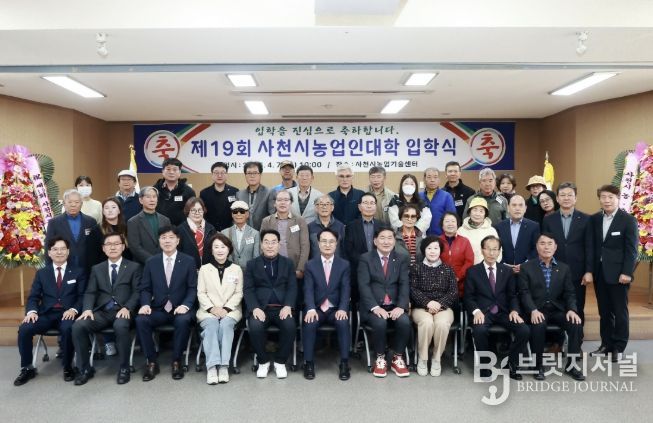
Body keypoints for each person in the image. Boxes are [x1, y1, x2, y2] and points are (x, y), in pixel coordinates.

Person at [14, 237, 87, 386]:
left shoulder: (78, 272)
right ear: (49, 253)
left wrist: (73, 310)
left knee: (68, 328)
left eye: (62, 249)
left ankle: (68, 367)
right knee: (25, 329)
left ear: (68, 251)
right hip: (46, 314)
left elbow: (82, 296)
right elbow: (34, 296)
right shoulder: (42, 273)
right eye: (55, 249)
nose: (59, 252)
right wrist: (32, 312)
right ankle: (27, 368)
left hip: (67, 314)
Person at [72, 233, 141, 385]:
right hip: (102, 312)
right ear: (103, 248)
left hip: (123, 311)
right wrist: (87, 309)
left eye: (116, 244)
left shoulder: (133, 267)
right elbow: (90, 292)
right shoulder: (97, 269)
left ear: (123, 247)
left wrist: (128, 307)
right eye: (109, 244)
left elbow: (137, 292)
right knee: (78, 326)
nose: (113, 247)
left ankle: (124, 368)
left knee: (120, 326)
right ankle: (85, 369)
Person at [519, 233, 585, 381]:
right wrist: (533, 310)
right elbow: (524, 292)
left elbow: (569, 293)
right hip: (537, 309)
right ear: (537, 247)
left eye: (550, 244)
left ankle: (572, 365)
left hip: (557, 310)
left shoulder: (564, 268)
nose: (546, 247)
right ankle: (537, 365)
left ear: (555, 247)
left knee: (576, 323)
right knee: (538, 324)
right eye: (542, 243)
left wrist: (572, 310)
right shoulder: (526, 267)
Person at [136, 226, 197, 381]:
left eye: (171, 237)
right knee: (141, 320)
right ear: (159, 241)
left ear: (178, 240)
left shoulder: (188, 261)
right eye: (163, 237)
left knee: (183, 321)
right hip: (159, 309)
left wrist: (186, 305)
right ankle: (151, 362)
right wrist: (145, 304)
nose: (167, 241)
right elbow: (145, 288)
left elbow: (192, 288)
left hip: (180, 308)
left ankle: (177, 361)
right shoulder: (151, 262)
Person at [464, 235, 529, 380]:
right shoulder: (473, 271)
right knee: (479, 330)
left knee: (524, 329)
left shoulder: (506, 271)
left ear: (499, 251)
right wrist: (476, 311)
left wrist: (514, 310)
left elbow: (512, 295)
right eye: (488, 249)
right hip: (483, 312)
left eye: (495, 249)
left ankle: (511, 365)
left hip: (504, 312)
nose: (491, 253)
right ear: (482, 250)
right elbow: (469, 297)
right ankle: (485, 366)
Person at [588, 184, 638, 361]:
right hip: (600, 273)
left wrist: (627, 272)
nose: (607, 200)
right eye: (603, 197)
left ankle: (618, 346)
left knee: (619, 311)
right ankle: (606, 344)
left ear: (618, 198)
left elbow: (631, 250)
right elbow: (592, 246)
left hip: (619, 275)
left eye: (610, 197)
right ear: (599, 199)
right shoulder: (594, 219)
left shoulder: (628, 220)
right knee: (604, 311)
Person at [243, 229, 297, 379]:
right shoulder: (252, 264)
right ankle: (263, 361)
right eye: (266, 242)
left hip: (282, 308)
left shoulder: (288, 263)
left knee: (290, 326)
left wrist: (288, 305)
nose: (270, 245)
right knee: (255, 326)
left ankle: (280, 361)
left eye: (273, 242)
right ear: (261, 245)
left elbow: (292, 287)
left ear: (279, 245)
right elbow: (248, 289)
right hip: (261, 308)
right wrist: (254, 308)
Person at [358, 226, 411, 378]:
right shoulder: (366, 259)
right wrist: (375, 307)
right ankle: (380, 358)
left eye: (389, 238)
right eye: (382, 238)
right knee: (380, 322)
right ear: (375, 241)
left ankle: (397, 357)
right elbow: (363, 285)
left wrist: (401, 306)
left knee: (404, 322)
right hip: (373, 306)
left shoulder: (401, 259)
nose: (386, 241)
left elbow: (404, 284)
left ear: (394, 241)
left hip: (394, 305)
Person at [542, 182, 593, 334]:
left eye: (570, 195)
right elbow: (544, 245)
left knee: (577, 306)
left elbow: (590, 246)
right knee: (556, 306)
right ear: (557, 198)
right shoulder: (549, 219)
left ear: (576, 198)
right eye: (562, 195)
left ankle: (577, 341)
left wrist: (589, 271)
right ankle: (557, 341)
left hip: (578, 271)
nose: (566, 198)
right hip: (554, 270)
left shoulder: (586, 219)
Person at [302, 228, 351, 381]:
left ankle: (344, 363)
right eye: (324, 241)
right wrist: (310, 308)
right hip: (317, 308)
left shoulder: (344, 265)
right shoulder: (310, 265)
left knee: (343, 322)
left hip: (335, 308)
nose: (327, 245)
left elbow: (346, 289)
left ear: (336, 244)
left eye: (331, 241)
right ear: (318, 243)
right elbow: (308, 289)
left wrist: (343, 308)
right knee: (309, 323)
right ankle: (309, 362)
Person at [197, 233, 243, 384]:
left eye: (223, 247)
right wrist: (212, 309)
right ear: (211, 250)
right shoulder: (204, 269)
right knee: (211, 325)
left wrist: (226, 309)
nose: (220, 250)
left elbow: (238, 293)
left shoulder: (236, 269)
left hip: (231, 310)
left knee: (225, 325)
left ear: (229, 249)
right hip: (208, 311)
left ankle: (223, 366)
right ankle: (212, 367)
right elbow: (201, 293)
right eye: (216, 247)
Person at [410, 236, 458, 377]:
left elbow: (453, 292)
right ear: (424, 250)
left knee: (442, 324)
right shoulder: (416, 268)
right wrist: (427, 302)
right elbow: (412, 289)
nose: (432, 251)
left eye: (436, 248)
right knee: (427, 323)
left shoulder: (448, 269)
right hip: (421, 307)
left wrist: (439, 304)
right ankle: (423, 358)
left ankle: (437, 359)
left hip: (443, 307)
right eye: (429, 248)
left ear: (440, 251)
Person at [344, 193, 383, 315]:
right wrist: (366, 262)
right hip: (358, 270)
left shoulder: (383, 225)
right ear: (359, 207)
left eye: (372, 203)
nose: (369, 206)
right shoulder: (351, 226)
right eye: (365, 203)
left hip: (380, 270)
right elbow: (349, 250)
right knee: (358, 303)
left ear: (376, 206)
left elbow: (386, 247)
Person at [260, 189, 310, 280]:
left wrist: (301, 268)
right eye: (279, 200)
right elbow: (262, 245)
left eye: (286, 200)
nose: (282, 203)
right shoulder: (267, 221)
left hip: (294, 267)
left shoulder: (300, 221)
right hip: (272, 266)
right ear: (274, 203)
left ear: (291, 203)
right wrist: (264, 266)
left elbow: (305, 245)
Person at [45, 188, 97, 272]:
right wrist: (49, 270)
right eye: (70, 202)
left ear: (81, 204)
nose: (73, 205)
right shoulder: (54, 222)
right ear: (64, 204)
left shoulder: (91, 222)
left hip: (87, 268)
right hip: (63, 268)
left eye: (76, 202)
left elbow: (96, 247)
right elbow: (48, 247)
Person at [494, 195, 539, 275]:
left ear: (525, 208)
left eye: (520, 205)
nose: (517, 208)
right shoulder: (499, 227)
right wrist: (504, 264)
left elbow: (536, 248)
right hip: (504, 271)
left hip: (527, 271)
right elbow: (496, 248)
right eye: (514, 205)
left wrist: (525, 264)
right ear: (508, 208)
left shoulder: (534, 226)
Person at [127, 186, 171, 265]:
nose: (152, 200)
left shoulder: (165, 220)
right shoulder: (133, 222)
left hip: (164, 262)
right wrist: (152, 261)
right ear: (141, 200)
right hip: (143, 265)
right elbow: (135, 247)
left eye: (154, 197)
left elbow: (169, 241)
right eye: (148, 197)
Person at [439, 212, 474, 298]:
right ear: (442, 225)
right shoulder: (436, 241)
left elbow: (469, 262)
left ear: (457, 224)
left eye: (453, 221)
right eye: (447, 221)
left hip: (461, 284)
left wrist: (458, 277)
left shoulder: (465, 241)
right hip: (440, 284)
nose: (450, 224)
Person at [457, 197, 502, 264]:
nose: (477, 214)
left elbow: (498, 252)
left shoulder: (491, 231)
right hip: (467, 268)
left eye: (481, 211)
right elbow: (457, 253)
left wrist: (489, 266)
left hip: (487, 267)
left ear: (485, 215)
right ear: (469, 212)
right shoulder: (461, 231)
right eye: (475, 210)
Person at [154, 157, 196, 226]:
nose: (171, 172)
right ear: (162, 171)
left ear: (180, 172)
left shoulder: (188, 191)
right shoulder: (154, 190)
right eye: (168, 169)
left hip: (181, 229)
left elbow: (192, 214)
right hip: (159, 229)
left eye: (175, 169)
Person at [177, 197, 216, 269]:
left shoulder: (211, 229)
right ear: (188, 212)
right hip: (188, 269)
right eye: (193, 210)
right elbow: (178, 253)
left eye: (200, 210)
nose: (197, 213)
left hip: (208, 270)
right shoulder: (180, 230)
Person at [200, 161, 239, 231]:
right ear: (212, 175)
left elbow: (237, 213)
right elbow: (202, 214)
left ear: (227, 175)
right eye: (216, 173)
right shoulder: (204, 193)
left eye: (223, 173)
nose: (219, 176)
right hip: (210, 231)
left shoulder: (235, 192)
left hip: (230, 231)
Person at [221, 201, 260, 269]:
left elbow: (256, 257)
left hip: (248, 272)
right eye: (235, 212)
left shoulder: (255, 234)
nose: (238, 214)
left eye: (242, 211)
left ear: (247, 214)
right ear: (232, 214)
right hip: (229, 271)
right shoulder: (224, 233)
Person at [419, 167, 455, 236]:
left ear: (439, 180)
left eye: (435, 177)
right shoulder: (418, 196)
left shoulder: (446, 196)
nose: (432, 180)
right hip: (422, 237)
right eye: (429, 177)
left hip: (441, 237)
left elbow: (452, 217)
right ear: (424, 179)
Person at [307, 194, 345, 259]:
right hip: (315, 264)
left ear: (332, 207)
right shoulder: (309, 227)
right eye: (321, 204)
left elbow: (344, 249)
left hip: (336, 264)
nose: (324, 207)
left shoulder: (340, 226)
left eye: (327, 204)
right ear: (316, 208)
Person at [235, 161, 270, 230]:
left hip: (263, 232)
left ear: (260, 175)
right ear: (245, 175)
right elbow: (236, 216)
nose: (252, 176)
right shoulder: (239, 194)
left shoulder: (269, 192)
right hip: (244, 232)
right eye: (249, 173)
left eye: (255, 173)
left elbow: (272, 217)